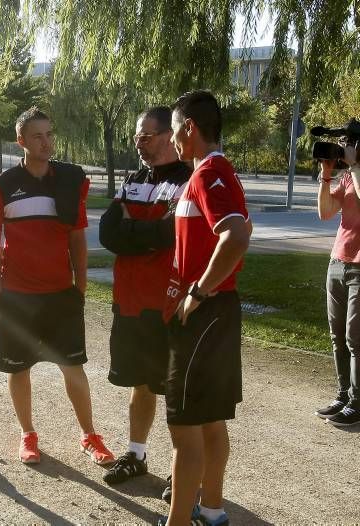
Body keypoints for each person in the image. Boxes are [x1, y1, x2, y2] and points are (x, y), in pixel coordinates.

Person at [0, 106, 114, 466]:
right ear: (21, 141)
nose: (46, 142)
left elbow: (78, 240)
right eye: (38, 136)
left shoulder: (69, 181)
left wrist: (81, 287)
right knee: (18, 369)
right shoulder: (2, 187)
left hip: (61, 295)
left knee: (73, 368)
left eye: (50, 134)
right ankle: (28, 434)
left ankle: (89, 435)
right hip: (18, 297)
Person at [159, 90, 251, 526]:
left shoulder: (208, 172)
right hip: (215, 313)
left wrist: (196, 292)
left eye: (176, 131)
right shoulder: (213, 172)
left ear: (189, 129)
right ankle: (211, 512)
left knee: (186, 432)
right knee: (211, 422)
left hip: (205, 315)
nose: (174, 141)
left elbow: (235, 234)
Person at [99, 107, 191, 487]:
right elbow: (109, 232)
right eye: (137, 136)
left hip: (167, 305)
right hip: (130, 301)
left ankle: (181, 472)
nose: (139, 142)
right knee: (140, 383)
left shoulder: (189, 180)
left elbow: (171, 234)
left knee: (173, 390)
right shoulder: (133, 180)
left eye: (146, 135)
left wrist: (133, 229)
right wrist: (146, 231)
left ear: (170, 136)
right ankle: (136, 454)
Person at [315, 137, 360, 427]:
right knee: (337, 337)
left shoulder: (355, 175)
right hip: (337, 261)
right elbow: (326, 212)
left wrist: (355, 165)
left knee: (355, 339)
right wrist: (327, 174)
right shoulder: (345, 178)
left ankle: (357, 403)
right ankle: (344, 395)